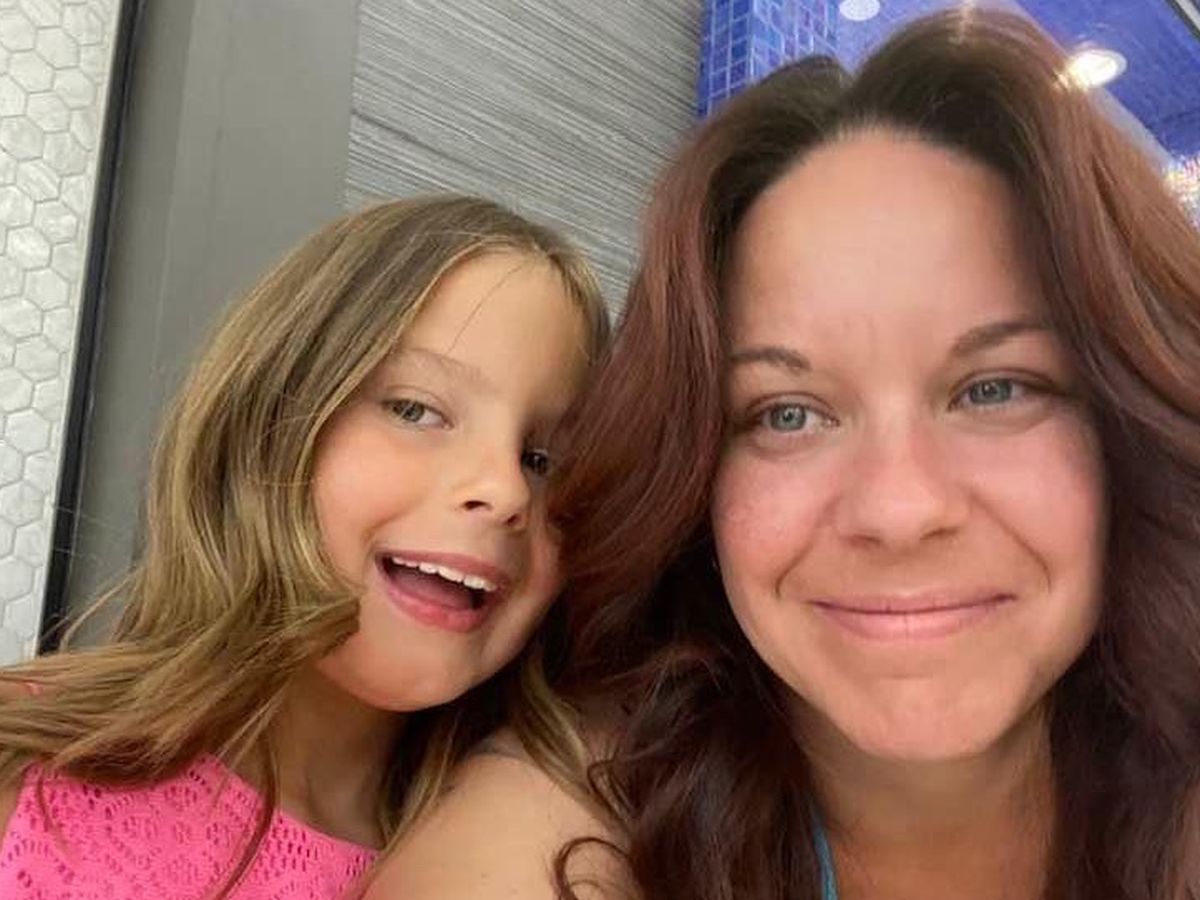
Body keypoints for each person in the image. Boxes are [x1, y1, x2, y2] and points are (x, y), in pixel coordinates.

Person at [364, 9, 1200, 900]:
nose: (898, 509)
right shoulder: (542, 846)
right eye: (788, 414)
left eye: (994, 390)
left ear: (1126, 432)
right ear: (696, 481)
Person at [0, 195, 609, 898]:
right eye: (415, 410)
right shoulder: (24, 760)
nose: (506, 490)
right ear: (267, 422)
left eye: (543, 460)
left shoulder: (531, 860)